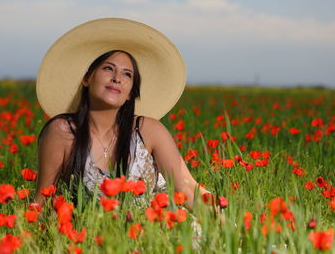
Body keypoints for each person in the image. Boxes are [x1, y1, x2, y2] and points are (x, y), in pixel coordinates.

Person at [33, 18, 215, 211]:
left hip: (164, 226)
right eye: (108, 68)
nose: (117, 78)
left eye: (127, 74)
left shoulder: (148, 130)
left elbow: (187, 189)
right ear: (87, 79)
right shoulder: (63, 132)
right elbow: (43, 199)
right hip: (101, 235)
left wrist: (231, 225)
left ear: (130, 94)